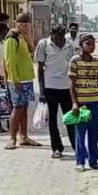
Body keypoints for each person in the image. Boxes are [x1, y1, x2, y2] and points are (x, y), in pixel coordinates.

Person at [36, 25, 76, 158]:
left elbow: (73, 68)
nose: (58, 40)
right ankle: (56, 148)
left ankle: (76, 146)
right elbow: (40, 70)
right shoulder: (43, 44)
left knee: (70, 118)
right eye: (55, 37)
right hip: (50, 87)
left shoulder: (70, 46)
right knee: (52, 120)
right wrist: (41, 91)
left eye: (60, 37)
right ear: (51, 34)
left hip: (66, 88)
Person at [69, 33, 98, 171]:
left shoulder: (97, 62)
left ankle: (93, 160)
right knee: (80, 133)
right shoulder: (74, 61)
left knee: (94, 133)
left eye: (93, 44)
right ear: (81, 45)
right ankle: (80, 161)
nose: (92, 47)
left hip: (96, 101)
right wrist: (74, 103)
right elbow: (72, 85)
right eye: (88, 44)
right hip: (82, 103)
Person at [4, 13, 40, 149]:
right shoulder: (12, 38)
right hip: (17, 80)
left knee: (24, 108)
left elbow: (32, 50)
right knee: (17, 108)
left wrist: (28, 34)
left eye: (27, 24)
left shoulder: (21, 37)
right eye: (22, 24)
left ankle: (24, 136)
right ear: (16, 23)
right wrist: (15, 80)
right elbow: (9, 61)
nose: (25, 27)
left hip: (27, 78)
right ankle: (12, 138)